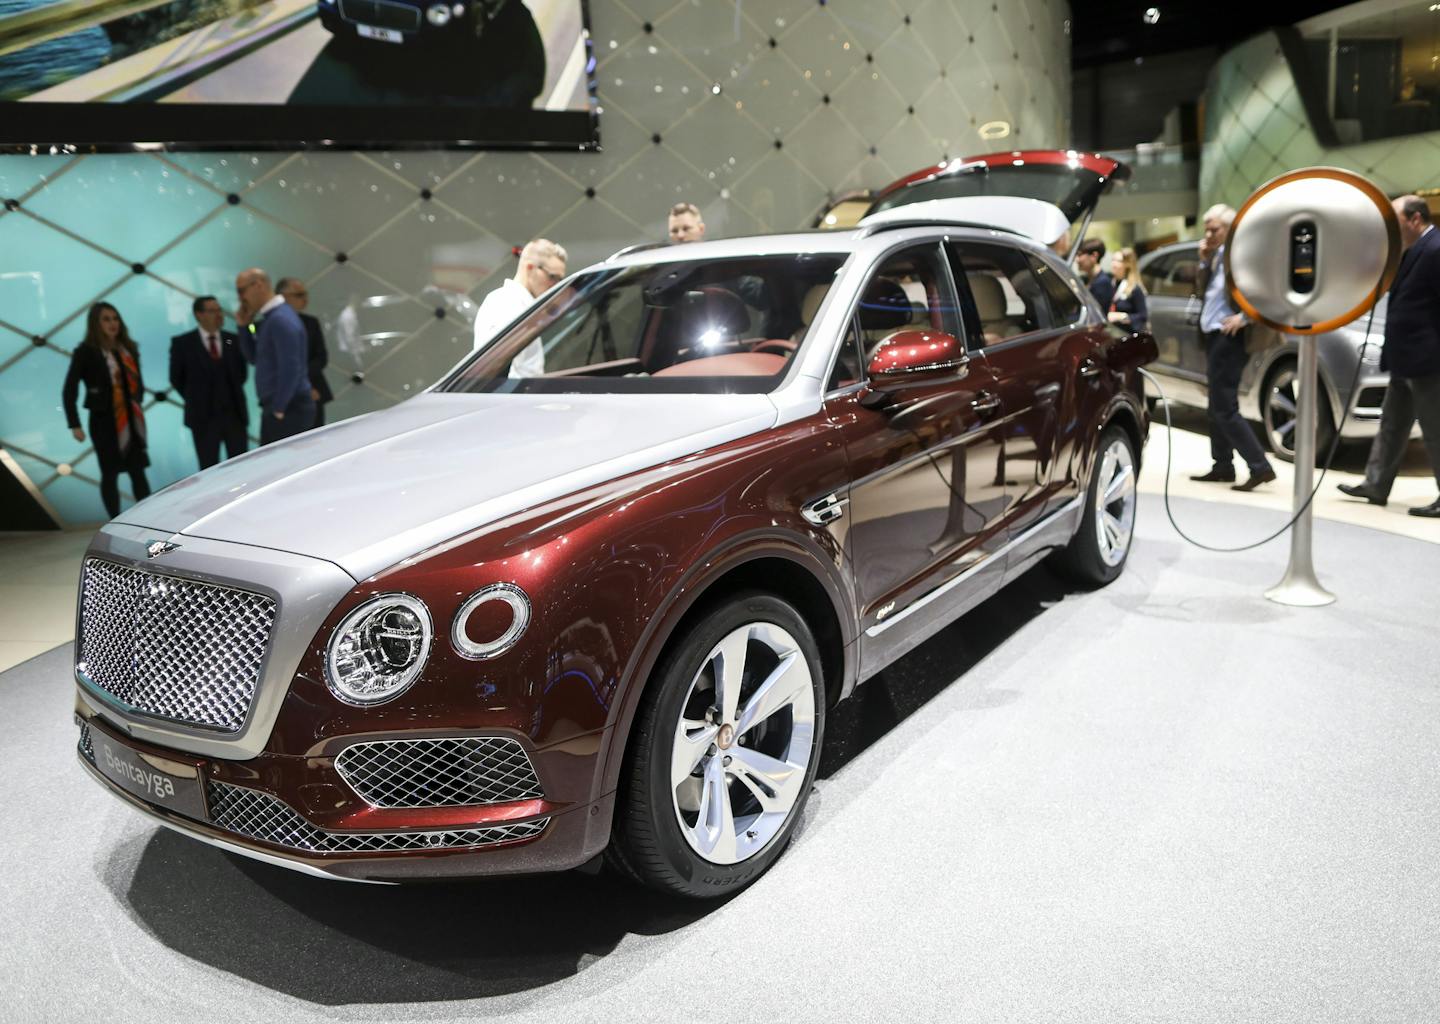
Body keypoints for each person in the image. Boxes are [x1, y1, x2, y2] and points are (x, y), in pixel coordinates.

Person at [1338, 195, 1440, 517]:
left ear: (1414, 219)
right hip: (1404, 359)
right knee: (1392, 426)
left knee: (1436, 431)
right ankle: (1376, 484)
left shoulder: (1436, 248)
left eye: (1393, 219)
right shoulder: (1410, 252)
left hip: (1428, 360)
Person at [1189, 204, 1277, 491]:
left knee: (1225, 406)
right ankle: (1223, 466)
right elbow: (1206, 294)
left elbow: (1268, 288)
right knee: (1216, 404)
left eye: (1215, 229)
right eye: (1207, 229)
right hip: (1214, 337)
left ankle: (1259, 466)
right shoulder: (1215, 256)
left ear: (1229, 229)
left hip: (1231, 339)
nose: (1209, 234)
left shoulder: (1243, 254)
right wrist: (1203, 262)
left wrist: (1245, 317)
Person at [61, 302, 151, 519]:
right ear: (95, 323)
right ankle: (115, 522)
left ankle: (149, 519)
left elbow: (138, 383)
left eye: (115, 318)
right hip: (104, 421)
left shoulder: (128, 348)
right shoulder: (85, 352)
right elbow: (69, 389)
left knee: (137, 471)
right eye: (106, 319)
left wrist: (137, 401)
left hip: (131, 419)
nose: (112, 324)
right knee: (110, 473)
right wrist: (74, 424)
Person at [235, 268, 315, 444]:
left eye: (241, 291)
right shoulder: (271, 319)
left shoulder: (280, 319)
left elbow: (291, 368)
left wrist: (279, 407)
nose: (240, 298)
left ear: (258, 285)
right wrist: (244, 327)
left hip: (288, 409)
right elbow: (255, 358)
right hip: (281, 407)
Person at [169, 295, 248, 471]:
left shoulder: (232, 340)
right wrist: (196, 398)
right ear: (199, 315)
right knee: (209, 468)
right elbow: (176, 378)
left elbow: (241, 374)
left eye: (219, 310)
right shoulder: (183, 343)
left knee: (242, 467)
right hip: (203, 419)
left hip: (233, 416)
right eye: (212, 311)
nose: (218, 314)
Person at [471, 239, 568, 377]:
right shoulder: (505, 302)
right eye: (552, 277)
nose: (556, 285)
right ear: (529, 268)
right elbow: (493, 368)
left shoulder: (522, 305)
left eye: (560, 280)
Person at [277, 277, 334, 427]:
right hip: (286, 397)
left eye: (305, 294)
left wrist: (304, 379)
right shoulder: (269, 324)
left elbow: (321, 357)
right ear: (283, 297)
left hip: (314, 389)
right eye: (299, 295)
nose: (305, 299)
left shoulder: (311, 323)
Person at [1106, 247, 1149, 333]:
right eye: (1113, 260)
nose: (1113, 264)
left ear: (1127, 264)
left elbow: (1143, 316)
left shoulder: (1135, 288)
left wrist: (1122, 316)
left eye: (1118, 261)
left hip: (1128, 334)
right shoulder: (1110, 283)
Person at [1074, 237, 1115, 310]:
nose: (1077, 259)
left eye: (1080, 255)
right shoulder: (1085, 279)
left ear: (1094, 256)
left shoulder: (1103, 282)